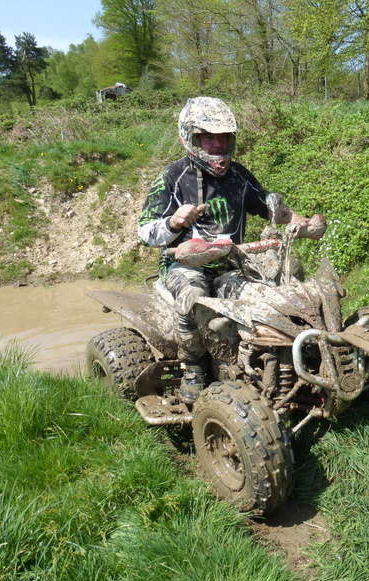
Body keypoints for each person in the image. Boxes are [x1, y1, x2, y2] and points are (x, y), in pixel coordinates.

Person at [138, 96, 326, 401]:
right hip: (184, 265)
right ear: (191, 137)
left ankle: (283, 355)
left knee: (273, 294)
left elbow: (272, 209)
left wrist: (304, 225)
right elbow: (144, 231)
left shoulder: (239, 176)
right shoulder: (172, 178)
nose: (217, 146)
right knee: (194, 297)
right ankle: (193, 368)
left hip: (232, 262)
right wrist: (173, 223)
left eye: (224, 138)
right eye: (209, 138)